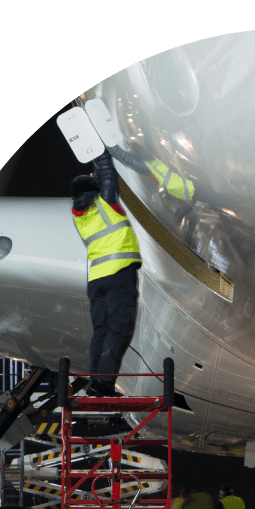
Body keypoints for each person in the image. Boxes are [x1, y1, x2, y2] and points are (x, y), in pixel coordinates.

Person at [69, 148, 142, 399]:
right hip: (119, 274)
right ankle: (103, 384)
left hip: (97, 279)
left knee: (101, 330)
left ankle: (95, 382)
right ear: (94, 191)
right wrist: (100, 153)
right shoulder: (104, 204)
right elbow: (109, 176)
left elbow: (101, 181)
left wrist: (95, 175)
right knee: (119, 329)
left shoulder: (80, 216)